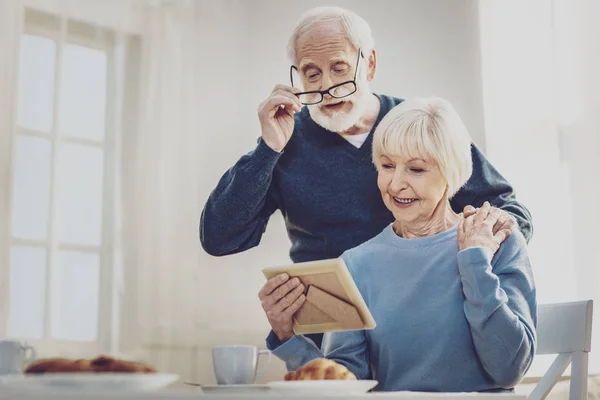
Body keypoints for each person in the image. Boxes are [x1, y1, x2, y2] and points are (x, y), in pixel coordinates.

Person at [200, 6, 533, 348]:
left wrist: (469, 259)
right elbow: (219, 237)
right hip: (326, 341)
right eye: (311, 74)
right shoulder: (285, 142)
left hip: (419, 330)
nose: (327, 87)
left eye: (339, 68)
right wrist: (268, 148)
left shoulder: (419, 126)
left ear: (370, 64)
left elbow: (512, 215)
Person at [265, 97, 537, 392]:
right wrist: (287, 338)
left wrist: (475, 261)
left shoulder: (497, 240)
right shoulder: (356, 264)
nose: (395, 184)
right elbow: (345, 387)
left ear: (451, 172)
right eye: (387, 165)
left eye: (416, 169)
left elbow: (509, 369)